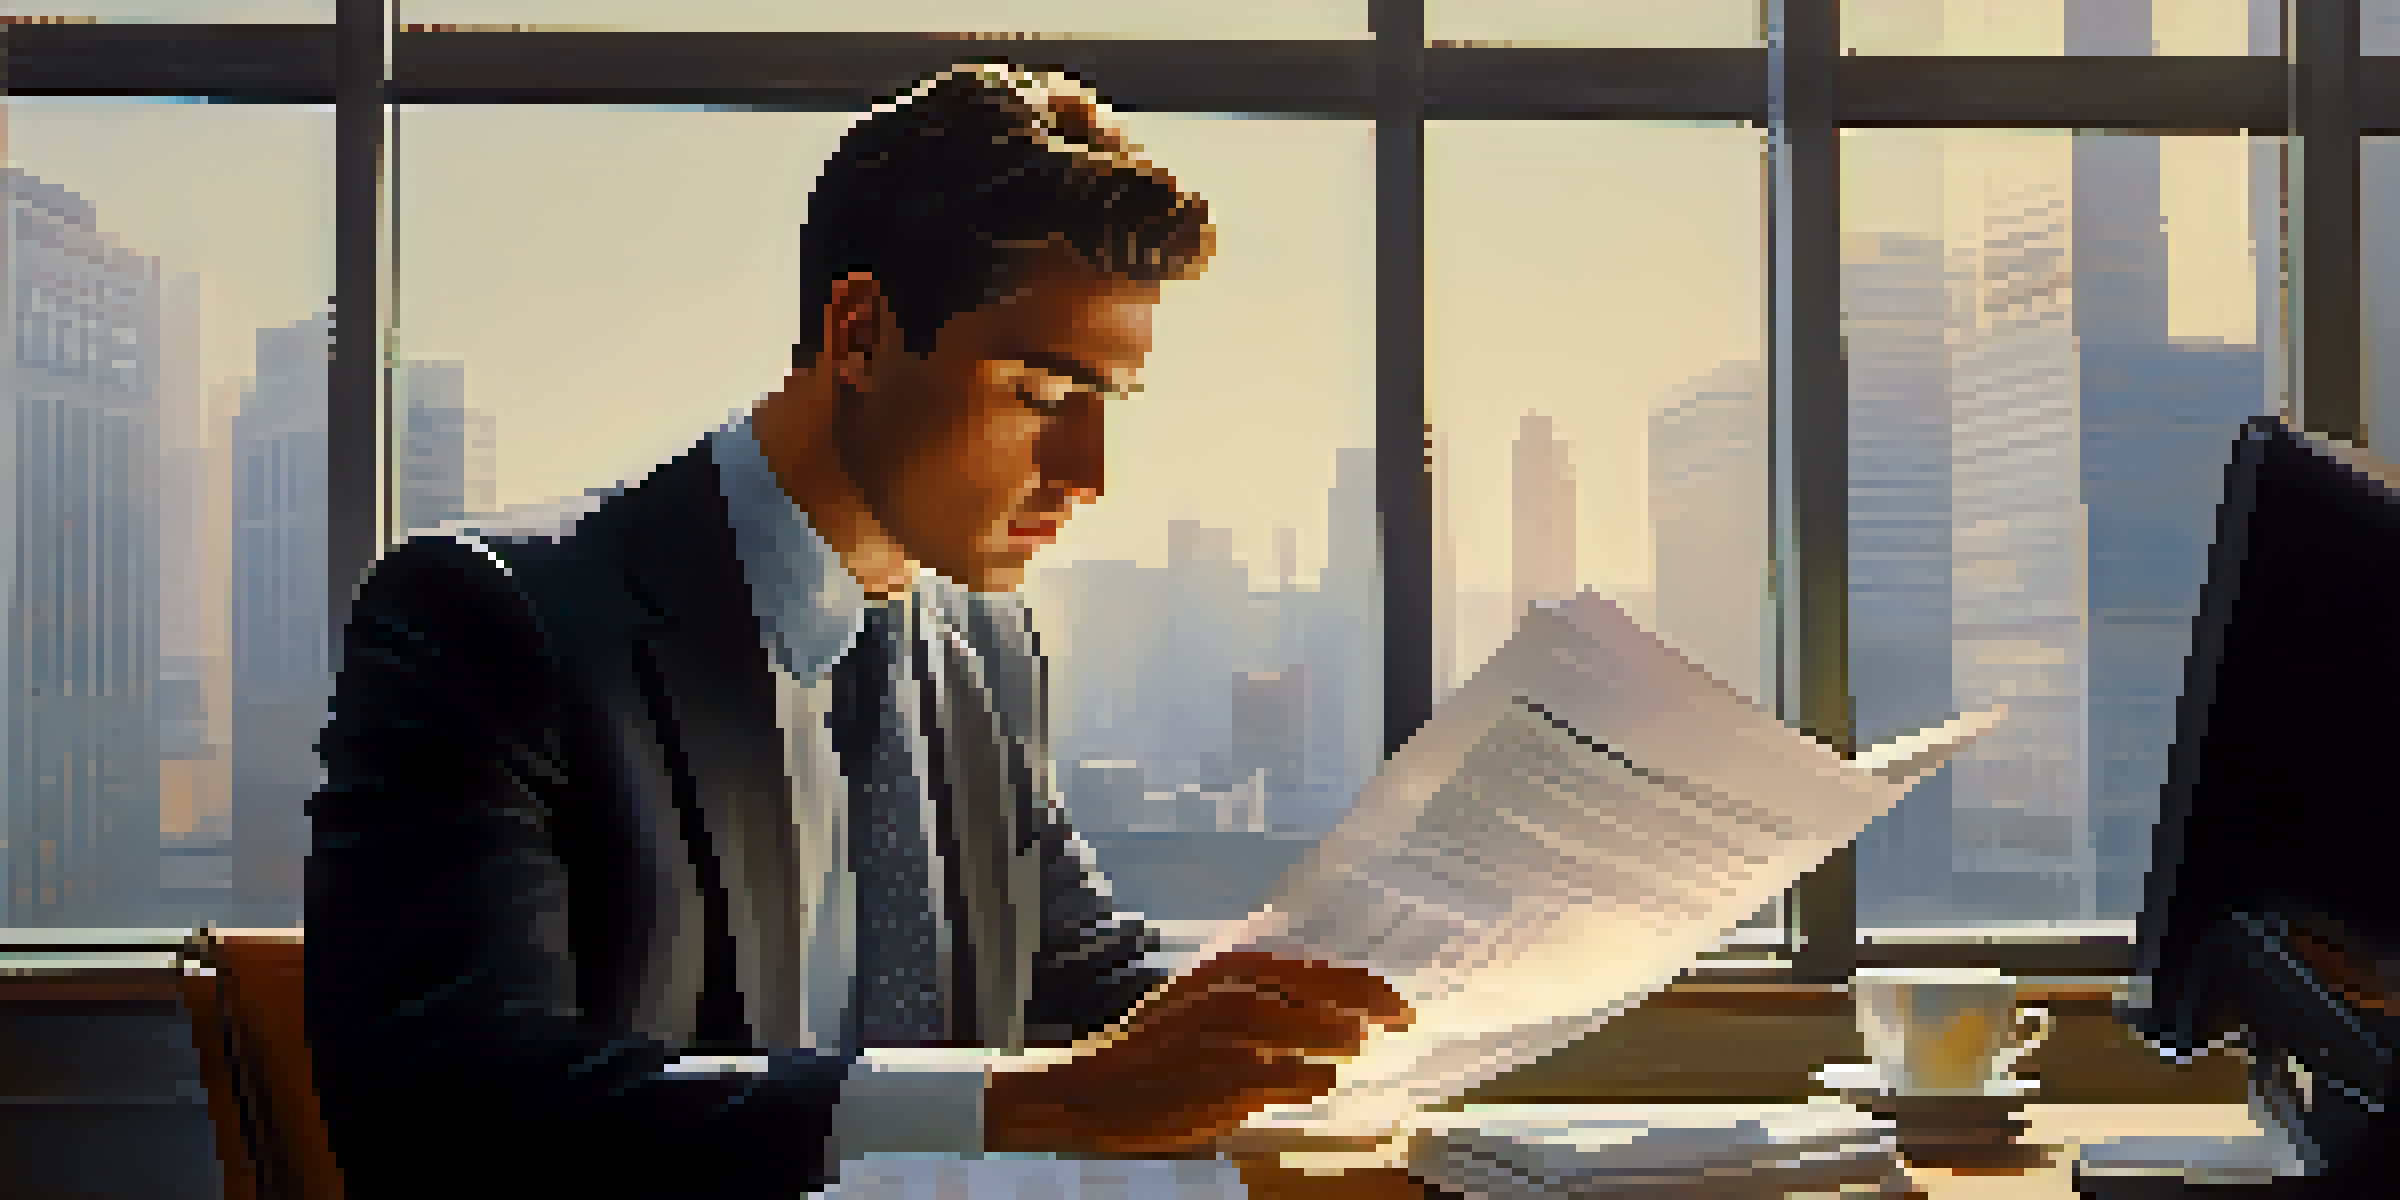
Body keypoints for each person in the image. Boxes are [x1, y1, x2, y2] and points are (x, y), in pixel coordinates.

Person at [303, 62, 1412, 1199]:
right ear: (863, 333)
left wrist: (1390, 1000)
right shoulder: (495, 620)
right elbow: (448, 1111)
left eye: (1108, 407)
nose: (1088, 473)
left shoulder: (987, 649)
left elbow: (1086, 978)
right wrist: (1023, 1106)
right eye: (1040, 394)